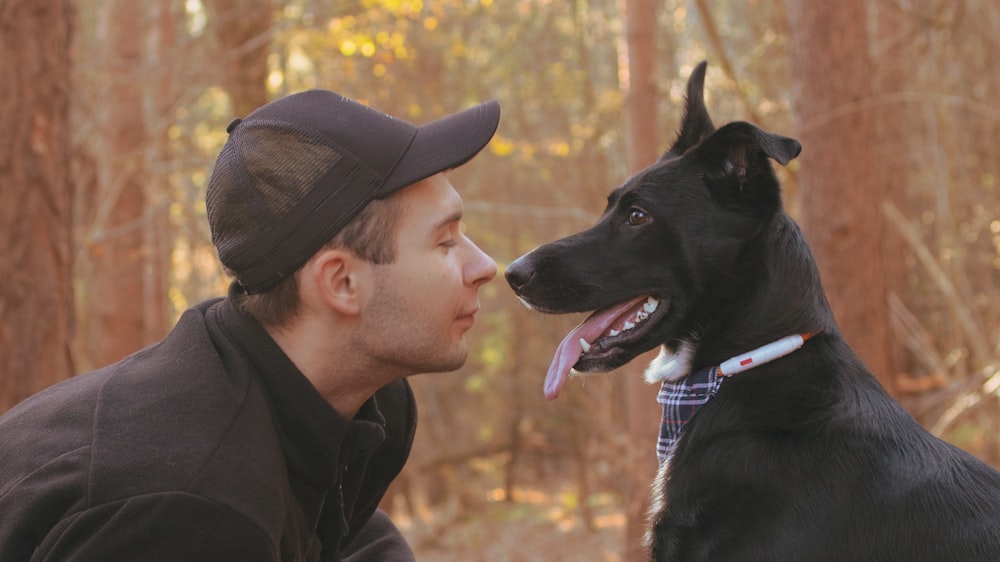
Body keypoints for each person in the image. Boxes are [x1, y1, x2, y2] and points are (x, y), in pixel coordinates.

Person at [0, 89, 500, 561]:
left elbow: (339, 540)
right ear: (342, 282)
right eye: (445, 241)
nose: (486, 266)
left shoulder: (344, 403)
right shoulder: (193, 509)